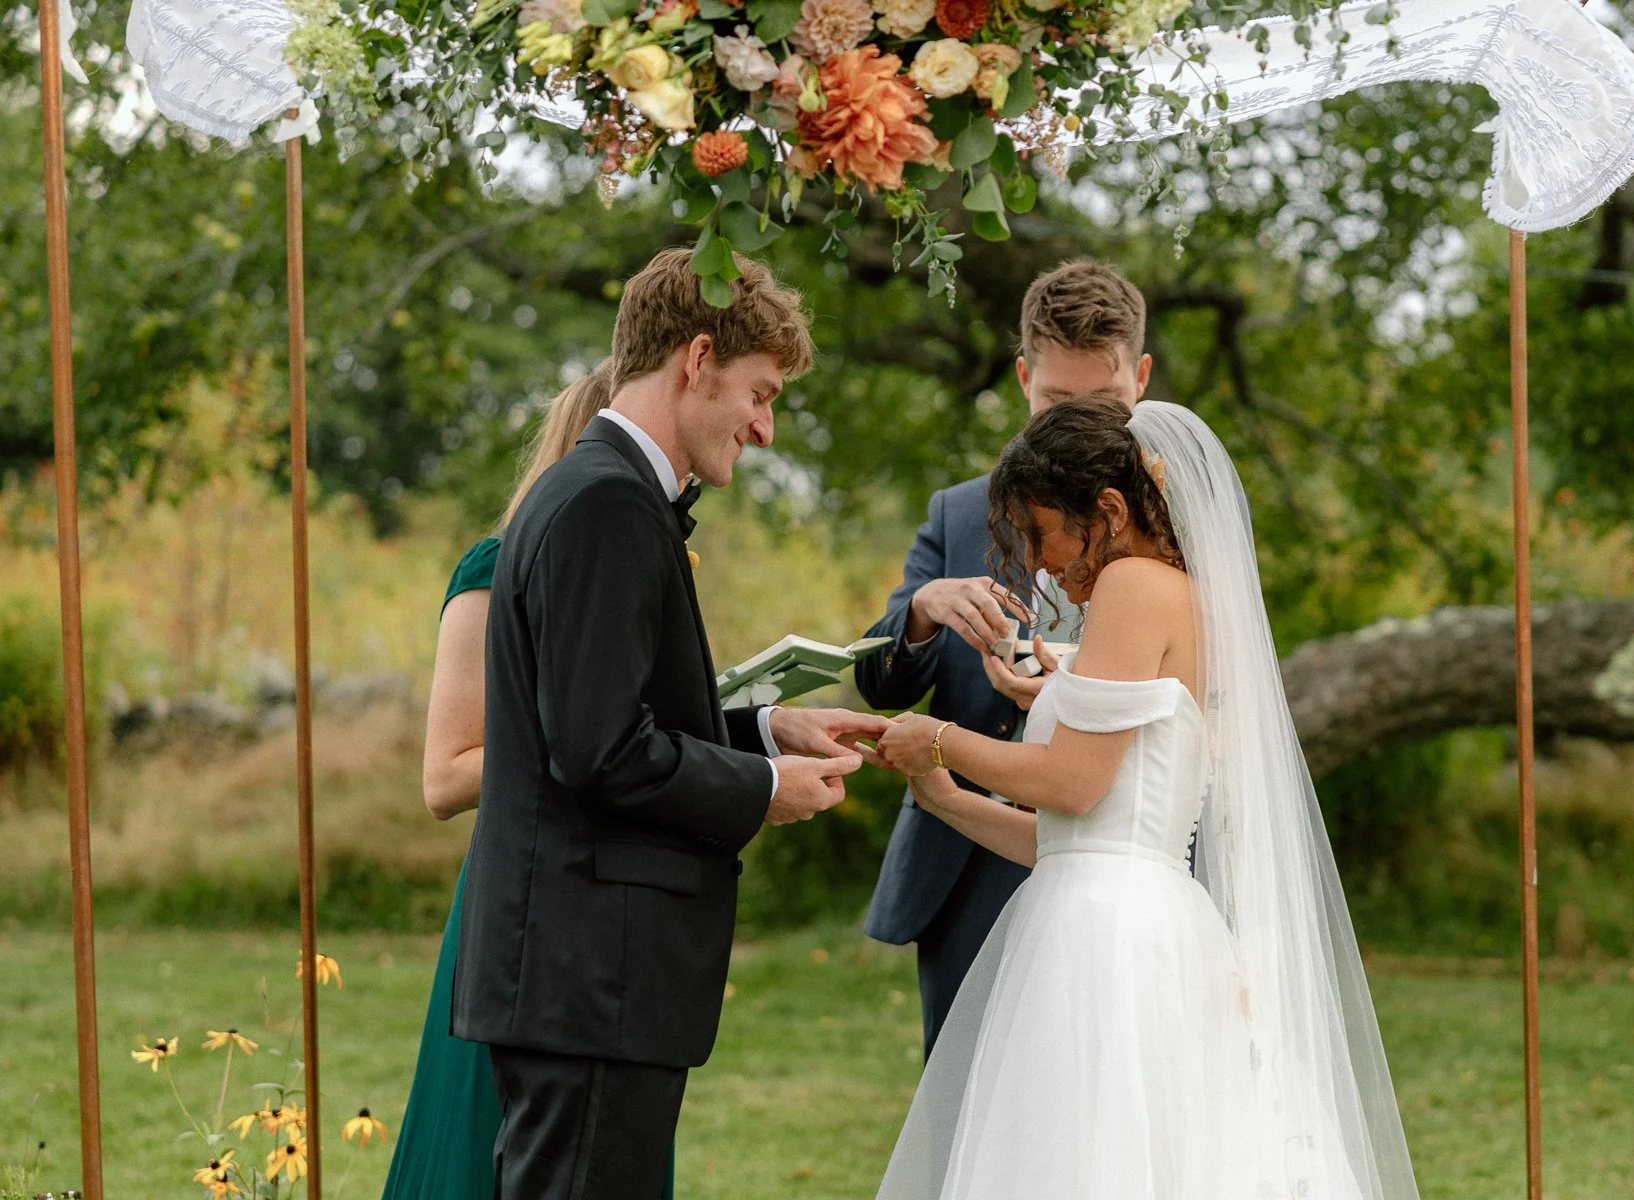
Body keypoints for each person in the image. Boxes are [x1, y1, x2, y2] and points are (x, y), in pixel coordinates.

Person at [873, 398, 1421, 1200]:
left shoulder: (1135, 584)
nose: (1040, 563)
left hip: (1108, 938)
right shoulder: (1178, 595)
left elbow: (1071, 781)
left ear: (1110, 510)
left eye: (1042, 533)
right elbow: (1064, 836)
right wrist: (941, 793)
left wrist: (940, 738)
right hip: (1112, 908)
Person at [451, 247, 891, 1200]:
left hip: (585, 977)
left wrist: (767, 734)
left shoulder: (598, 489)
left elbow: (601, 717)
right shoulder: (607, 502)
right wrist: (764, 789)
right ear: (697, 359)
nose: (765, 427)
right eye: (760, 393)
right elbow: (599, 752)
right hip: (591, 973)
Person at [854, 260, 1154, 1055]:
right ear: (1023, 379)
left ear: (1142, 379)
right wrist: (923, 611)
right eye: (1057, 402)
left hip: (1125, 866)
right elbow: (877, 680)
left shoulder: (1183, 518)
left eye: (1105, 403)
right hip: (969, 868)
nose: (1079, 427)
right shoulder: (959, 513)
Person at [382, 360, 627, 1200]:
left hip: (610, 917)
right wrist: (590, 743)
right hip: (519, 907)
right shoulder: (492, 571)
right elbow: (445, 775)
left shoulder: (636, 572)